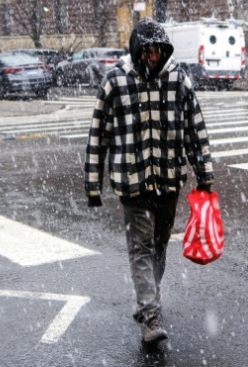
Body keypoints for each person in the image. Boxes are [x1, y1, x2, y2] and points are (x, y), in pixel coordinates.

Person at [84, 18, 215, 344]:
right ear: (137, 50)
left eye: (158, 51)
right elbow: (98, 134)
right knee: (141, 250)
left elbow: (195, 131)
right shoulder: (115, 81)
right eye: (148, 51)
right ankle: (151, 317)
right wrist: (92, 183)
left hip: (169, 182)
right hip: (132, 184)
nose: (153, 56)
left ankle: (147, 300)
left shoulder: (179, 80)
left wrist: (204, 175)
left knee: (158, 249)